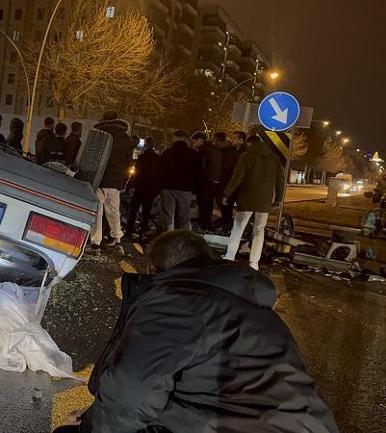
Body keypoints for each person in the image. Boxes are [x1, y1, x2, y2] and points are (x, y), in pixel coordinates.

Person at [55, 230, 340, 433]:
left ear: (155, 269)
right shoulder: (253, 310)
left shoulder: (180, 301)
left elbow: (131, 390)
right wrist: (94, 415)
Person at [223, 134, 285, 271]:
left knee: (238, 227)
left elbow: (236, 177)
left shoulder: (246, 157)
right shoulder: (274, 159)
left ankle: (230, 255)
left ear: (249, 143)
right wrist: (279, 199)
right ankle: (254, 262)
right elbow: (280, 180)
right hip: (265, 200)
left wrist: (227, 193)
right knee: (259, 230)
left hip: (247, 197)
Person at [90, 111, 134, 249]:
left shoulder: (99, 135)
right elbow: (129, 163)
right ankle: (117, 237)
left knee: (98, 210)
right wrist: (124, 180)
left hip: (100, 178)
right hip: (116, 181)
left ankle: (95, 240)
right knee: (113, 210)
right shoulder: (125, 138)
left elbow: (92, 157)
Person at [159, 130, 200, 232]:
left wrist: (160, 186)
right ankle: (182, 239)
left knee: (168, 217)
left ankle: (168, 238)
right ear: (186, 139)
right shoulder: (193, 154)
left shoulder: (167, 152)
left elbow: (160, 170)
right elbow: (197, 172)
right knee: (183, 217)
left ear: (174, 138)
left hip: (168, 187)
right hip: (186, 189)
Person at [126, 137, 161, 243]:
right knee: (146, 212)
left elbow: (136, 173)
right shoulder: (157, 159)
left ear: (145, 145)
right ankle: (142, 233)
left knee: (133, 210)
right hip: (150, 189)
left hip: (140, 187)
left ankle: (129, 232)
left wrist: (129, 185)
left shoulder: (142, 158)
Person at [193, 131, 222, 232]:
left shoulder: (204, 150)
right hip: (214, 180)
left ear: (200, 140)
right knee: (209, 204)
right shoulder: (214, 149)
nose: (194, 144)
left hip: (205, 181)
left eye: (195, 141)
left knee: (203, 204)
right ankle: (207, 224)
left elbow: (201, 167)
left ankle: (203, 225)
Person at [218, 131, 243, 230]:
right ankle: (226, 225)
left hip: (240, 185)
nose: (232, 140)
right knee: (226, 205)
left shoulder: (245, 152)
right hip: (228, 183)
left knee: (241, 209)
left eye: (234, 138)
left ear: (241, 140)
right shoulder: (229, 151)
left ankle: (238, 228)